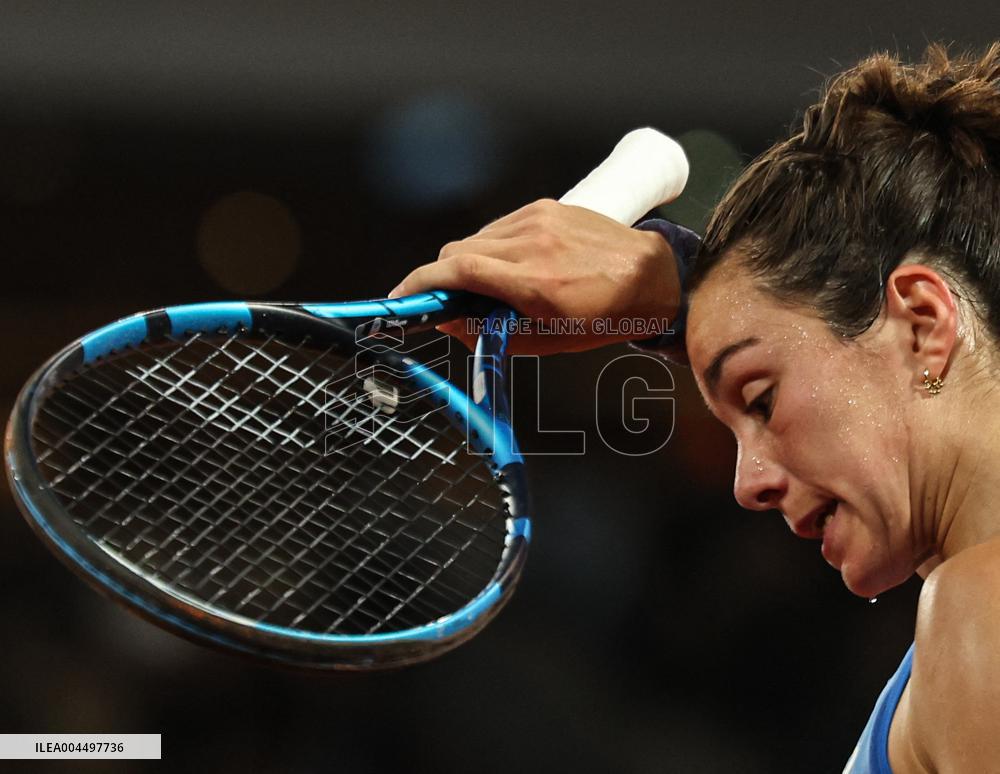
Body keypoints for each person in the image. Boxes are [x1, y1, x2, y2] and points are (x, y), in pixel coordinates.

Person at [390, 44, 1000, 773]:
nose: (747, 484)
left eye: (762, 400)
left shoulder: (979, 609)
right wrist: (690, 288)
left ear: (923, 324)